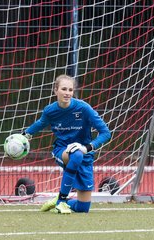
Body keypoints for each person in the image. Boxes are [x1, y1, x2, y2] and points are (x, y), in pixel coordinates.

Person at [23, 74, 111, 214]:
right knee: (75, 155)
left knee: (83, 209)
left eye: (70, 90)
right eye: (64, 89)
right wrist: (25, 135)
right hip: (62, 150)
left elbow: (106, 133)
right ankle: (62, 201)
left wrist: (85, 148)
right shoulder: (50, 110)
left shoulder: (84, 108)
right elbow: (40, 124)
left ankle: (59, 200)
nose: (67, 93)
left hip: (85, 155)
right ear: (55, 90)